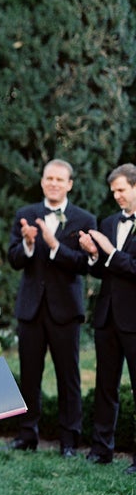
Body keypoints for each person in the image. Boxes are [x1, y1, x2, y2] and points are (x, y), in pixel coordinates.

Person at [6, 159, 96, 456]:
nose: (54, 183)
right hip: (31, 309)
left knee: (68, 376)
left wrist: (54, 246)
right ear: (42, 181)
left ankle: (69, 440)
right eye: (49, 178)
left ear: (69, 184)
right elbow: (14, 258)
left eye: (60, 179)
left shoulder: (85, 219)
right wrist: (29, 244)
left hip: (66, 311)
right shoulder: (26, 215)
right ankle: (26, 434)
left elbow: (85, 265)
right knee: (29, 374)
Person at [78, 163, 136, 474]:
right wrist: (92, 254)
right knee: (105, 386)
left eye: (121, 190)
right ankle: (101, 449)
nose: (116, 196)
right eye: (113, 191)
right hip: (107, 317)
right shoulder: (110, 221)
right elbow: (104, 270)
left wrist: (111, 252)